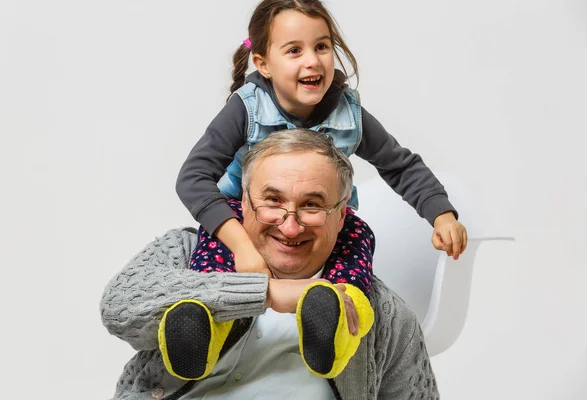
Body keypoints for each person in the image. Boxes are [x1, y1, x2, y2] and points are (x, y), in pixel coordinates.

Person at [174, 0, 467, 381]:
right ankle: (201, 330)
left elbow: (400, 164)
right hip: (248, 219)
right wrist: (241, 246)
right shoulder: (246, 109)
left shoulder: (348, 114)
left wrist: (441, 212)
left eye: (322, 46)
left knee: (357, 235)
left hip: (321, 218)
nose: (312, 61)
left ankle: (332, 322)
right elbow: (192, 177)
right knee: (211, 256)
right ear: (262, 63)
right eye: (294, 50)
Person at [100, 129, 440, 399]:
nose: (290, 227)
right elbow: (118, 308)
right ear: (243, 204)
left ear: (341, 217)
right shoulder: (186, 251)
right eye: (272, 201)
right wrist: (268, 292)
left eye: (312, 205)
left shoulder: (383, 314)